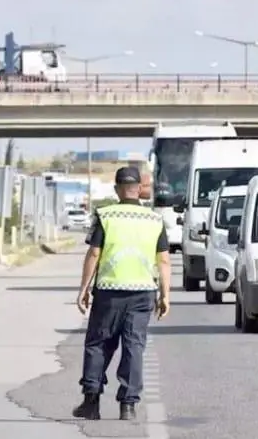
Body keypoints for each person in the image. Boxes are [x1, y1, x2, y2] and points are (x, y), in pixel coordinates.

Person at [72, 166, 172, 422]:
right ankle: (128, 405)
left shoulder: (106, 215)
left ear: (117, 189)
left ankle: (91, 402)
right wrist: (165, 295)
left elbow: (94, 253)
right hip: (142, 293)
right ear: (139, 189)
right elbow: (163, 261)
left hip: (109, 293)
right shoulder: (154, 220)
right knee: (133, 347)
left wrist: (83, 288)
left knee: (98, 344)